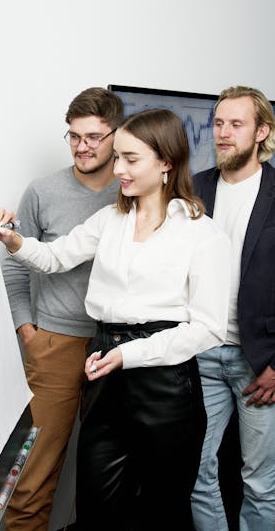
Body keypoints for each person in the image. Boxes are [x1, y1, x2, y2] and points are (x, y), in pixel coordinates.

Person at [0, 108, 231, 531]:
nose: (117, 168)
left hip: (165, 387)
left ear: (166, 163)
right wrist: (14, 241)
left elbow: (208, 328)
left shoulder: (203, 234)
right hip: (103, 370)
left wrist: (128, 354)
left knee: (161, 512)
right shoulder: (110, 220)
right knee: (97, 509)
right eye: (116, 156)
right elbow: (54, 257)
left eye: (130, 159)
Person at [2, 87, 124, 531]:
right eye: (74, 136)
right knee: (34, 472)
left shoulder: (131, 193)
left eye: (93, 137)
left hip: (117, 345)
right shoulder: (42, 191)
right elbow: (16, 264)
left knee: (108, 471)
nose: (82, 146)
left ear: (117, 136)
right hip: (53, 343)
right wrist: (26, 329)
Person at [191, 86, 275, 531]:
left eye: (236, 124)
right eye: (218, 123)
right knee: (195, 471)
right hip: (201, 352)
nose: (223, 133)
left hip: (259, 362)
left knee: (260, 482)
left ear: (262, 131)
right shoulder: (195, 187)